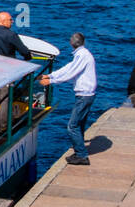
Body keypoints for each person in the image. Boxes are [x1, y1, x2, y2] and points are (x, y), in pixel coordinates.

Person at [40, 32, 97, 165]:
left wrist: (51, 81)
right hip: (86, 94)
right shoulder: (81, 54)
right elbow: (68, 68)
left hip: (84, 95)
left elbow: (71, 73)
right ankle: (79, 150)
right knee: (80, 124)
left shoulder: (82, 55)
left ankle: (82, 155)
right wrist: (51, 76)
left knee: (72, 126)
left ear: (71, 43)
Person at [0, 11, 32, 134]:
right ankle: (3, 126)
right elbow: (24, 51)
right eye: (10, 20)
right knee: (5, 99)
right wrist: (28, 58)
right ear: (3, 21)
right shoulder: (11, 35)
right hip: (6, 73)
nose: (12, 21)